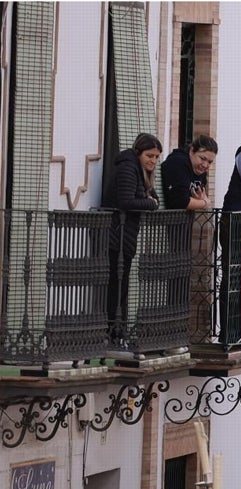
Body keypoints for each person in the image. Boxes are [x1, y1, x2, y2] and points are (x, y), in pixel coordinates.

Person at [106, 132, 162, 344]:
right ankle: (112, 331)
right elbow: (126, 201)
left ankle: (117, 329)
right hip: (117, 235)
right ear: (138, 153)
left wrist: (151, 200)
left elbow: (152, 196)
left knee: (121, 283)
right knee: (116, 283)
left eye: (156, 157)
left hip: (126, 235)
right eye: (149, 155)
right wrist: (150, 203)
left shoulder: (140, 171)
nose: (153, 160)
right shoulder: (129, 168)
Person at [160, 135, 218, 210]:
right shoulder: (177, 163)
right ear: (191, 151)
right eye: (202, 158)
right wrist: (205, 203)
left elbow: (197, 198)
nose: (205, 165)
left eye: (210, 162)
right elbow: (181, 202)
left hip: (182, 219)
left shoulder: (200, 171)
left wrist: (199, 201)